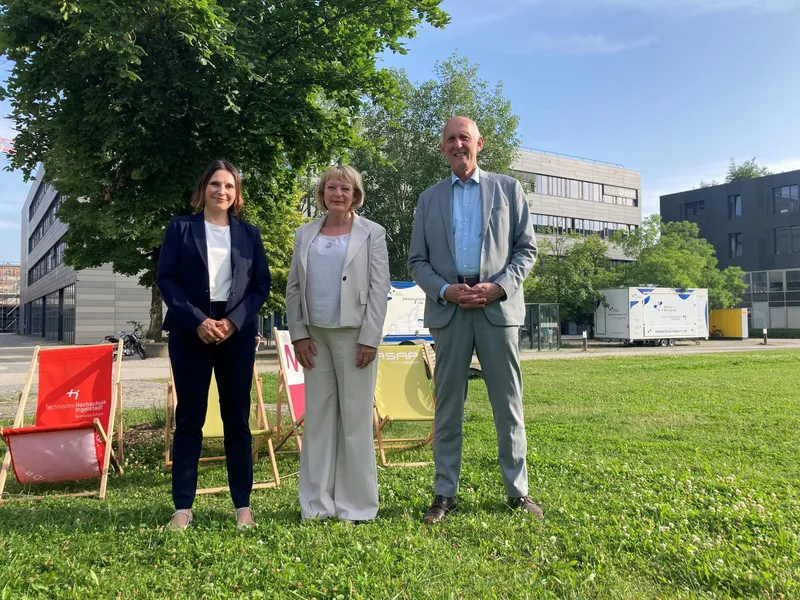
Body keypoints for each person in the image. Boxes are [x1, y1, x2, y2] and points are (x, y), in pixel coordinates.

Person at [408, 116, 542, 524]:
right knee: (448, 407)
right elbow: (417, 261)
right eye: (450, 139)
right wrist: (445, 290)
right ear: (442, 148)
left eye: (464, 137)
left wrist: (498, 287)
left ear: (479, 143)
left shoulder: (508, 189)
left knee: (508, 404)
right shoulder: (428, 199)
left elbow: (526, 250)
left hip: (496, 309)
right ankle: (444, 493)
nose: (458, 144)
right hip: (449, 311)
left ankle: (518, 492)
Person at [157, 159, 270, 530]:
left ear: (237, 194)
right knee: (190, 417)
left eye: (230, 186)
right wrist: (198, 321)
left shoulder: (249, 234)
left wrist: (233, 322)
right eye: (216, 184)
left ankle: (243, 506)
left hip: (236, 332)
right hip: (191, 330)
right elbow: (167, 280)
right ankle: (183, 507)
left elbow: (260, 286)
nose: (222, 191)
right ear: (203, 188)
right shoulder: (180, 228)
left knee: (237, 418)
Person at [286, 164, 390, 523]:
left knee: (356, 422)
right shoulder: (305, 233)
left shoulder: (373, 233)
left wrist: (370, 338)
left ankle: (356, 507)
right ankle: (316, 505)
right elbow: (294, 287)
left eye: (346, 188)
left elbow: (379, 288)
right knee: (317, 420)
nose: (338, 194)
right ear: (322, 193)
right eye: (331, 187)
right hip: (314, 337)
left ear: (355, 195)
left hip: (356, 337)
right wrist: (298, 333)